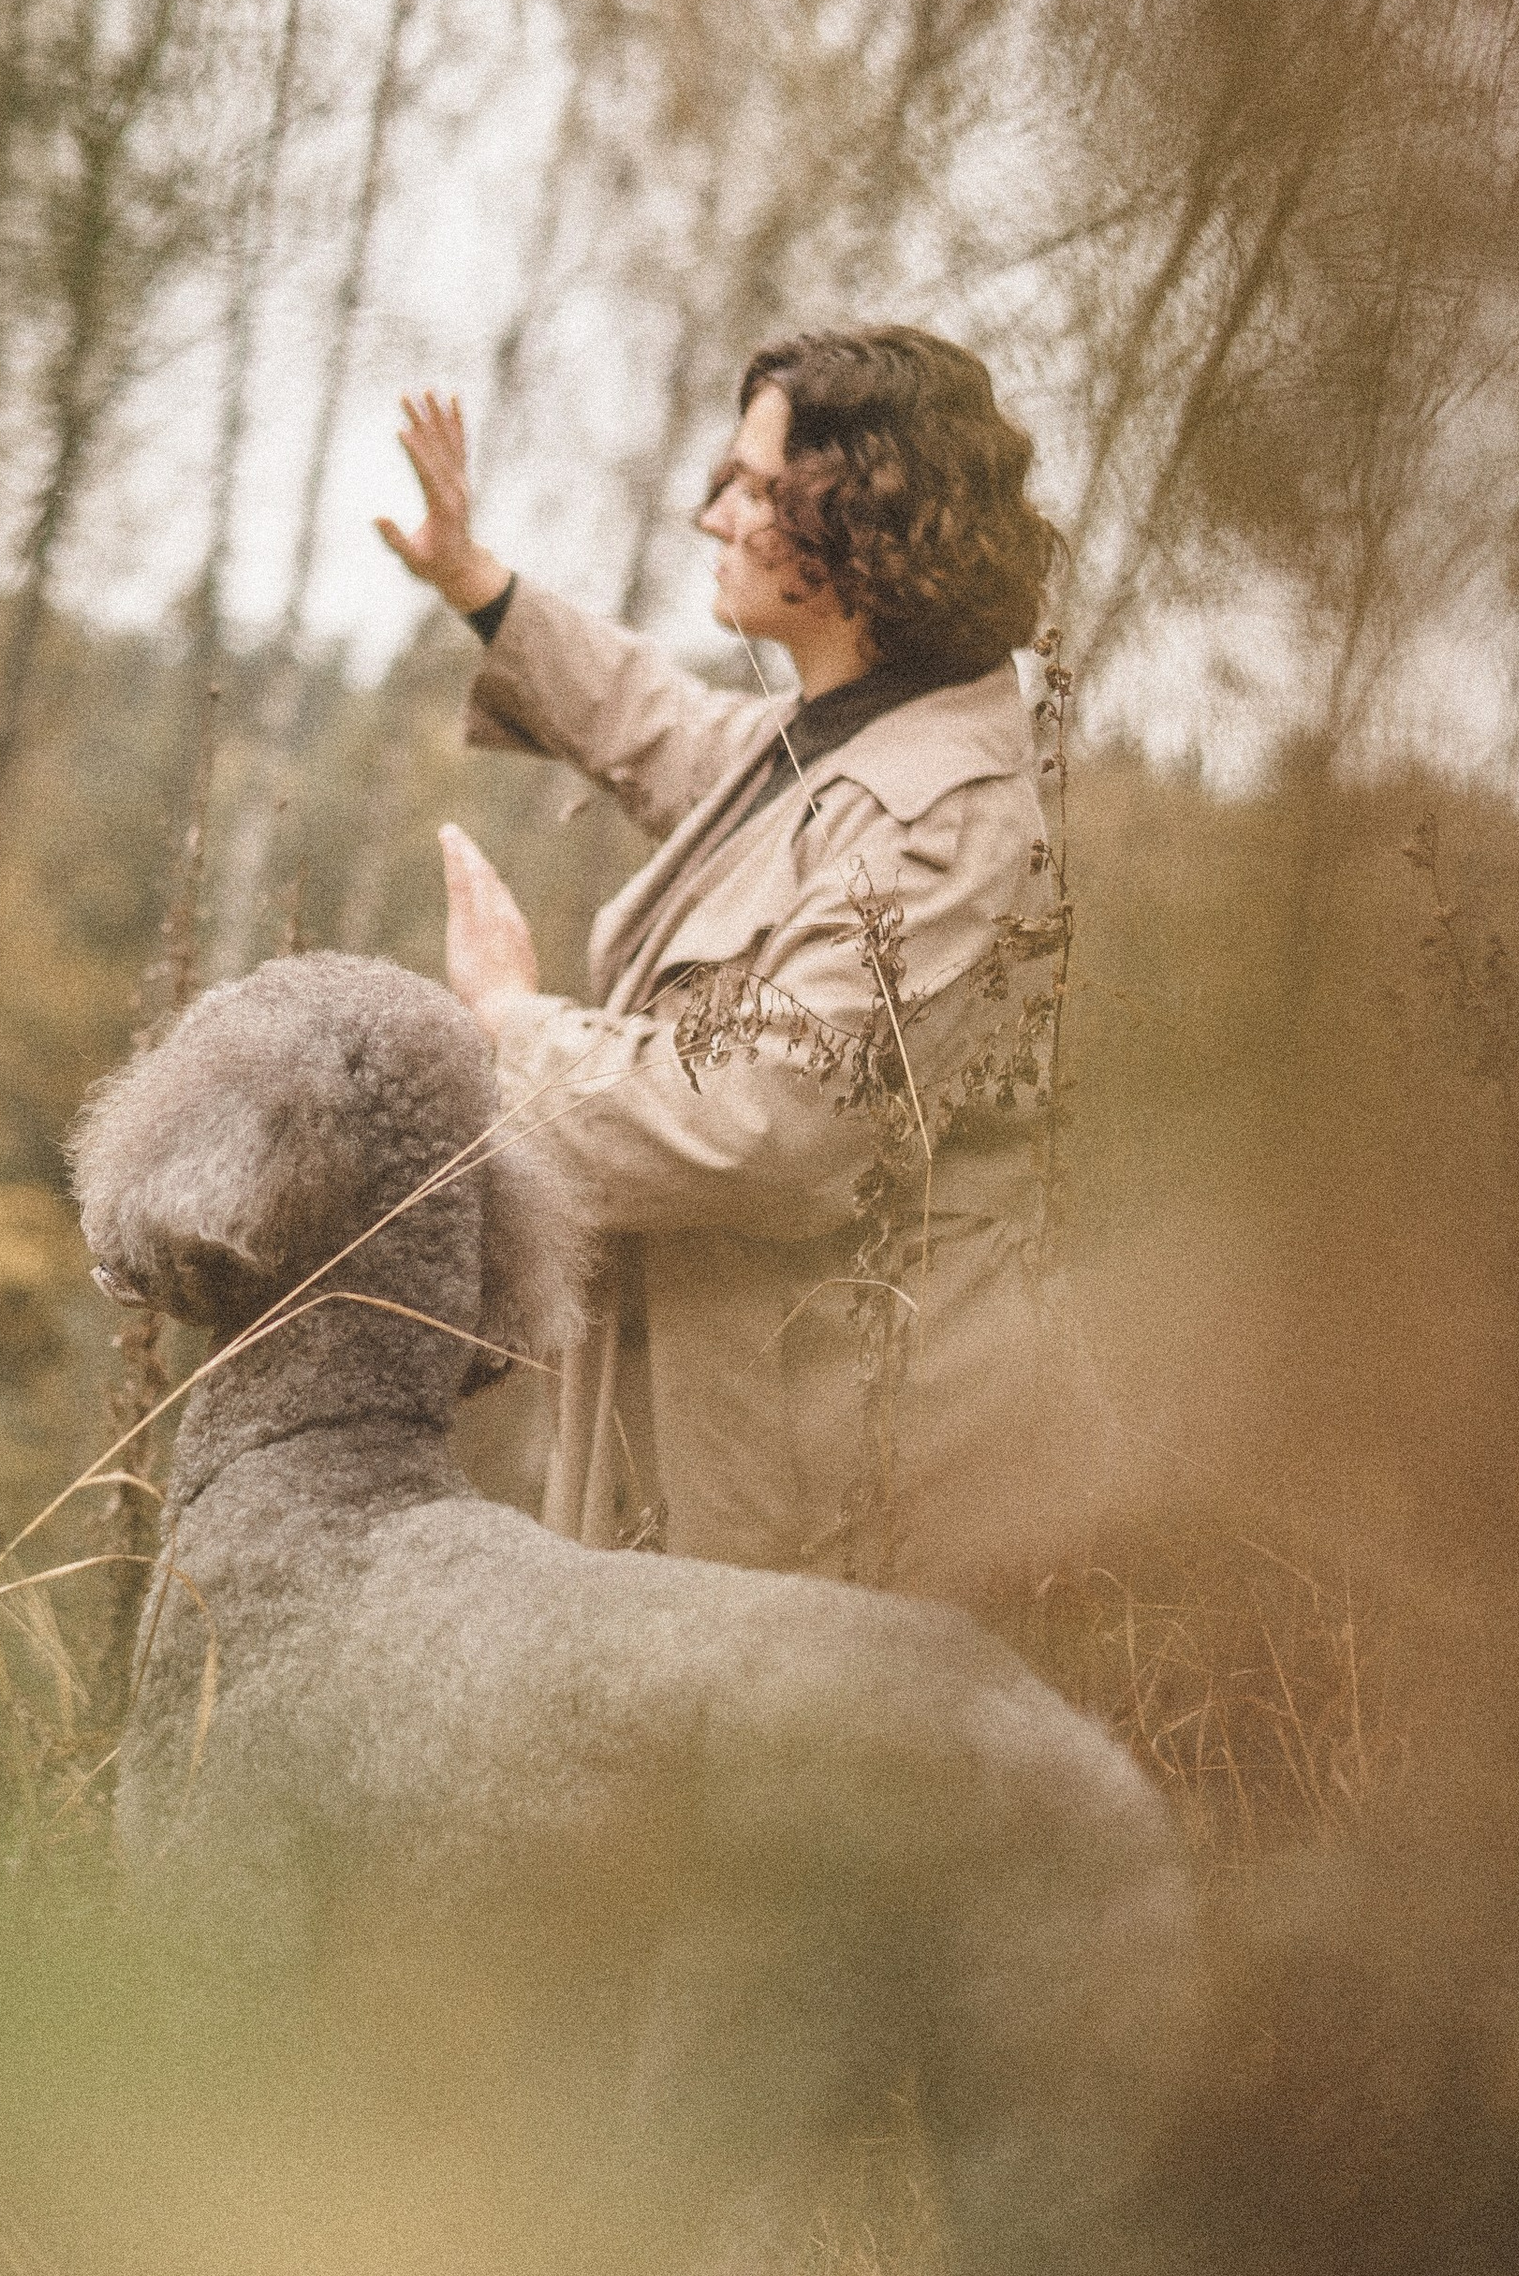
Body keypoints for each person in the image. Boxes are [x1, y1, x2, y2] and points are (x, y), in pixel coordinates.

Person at [375, 326, 1089, 1601]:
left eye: (756, 489)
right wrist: (477, 580)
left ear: (862, 517)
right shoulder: (841, 738)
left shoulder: (941, 819)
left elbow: (766, 1119)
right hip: (736, 1459)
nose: (714, 516)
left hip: (826, 1506)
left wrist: (510, 1020)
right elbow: (660, 726)